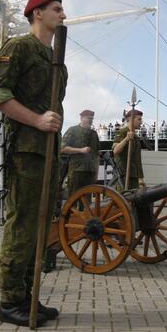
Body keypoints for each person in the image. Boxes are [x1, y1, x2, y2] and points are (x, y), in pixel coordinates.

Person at [0, 0, 66, 327]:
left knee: (38, 226)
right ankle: (10, 301)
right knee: (22, 226)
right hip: (25, 151)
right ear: (37, 14)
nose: (63, 14)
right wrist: (35, 120)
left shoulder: (56, 60)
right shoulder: (18, 47)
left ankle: (27, 295)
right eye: (56, 9)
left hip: (48, 152)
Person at [44, 109, 99, 272]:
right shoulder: (72, 131)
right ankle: (69, 227)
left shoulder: (94, 134)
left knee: (87, 203)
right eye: (88, 118)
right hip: (76, 170)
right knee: (74, 200)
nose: (90, 120)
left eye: (92, 118)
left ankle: (84, 226)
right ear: (81, 117)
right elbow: (62, 149)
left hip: (90, 172)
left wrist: (96, 171)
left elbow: (96, 154)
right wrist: (80, 150)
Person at [112, 109, 144, 190]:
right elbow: (115, 151)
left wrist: (140, 177)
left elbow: (137, 159)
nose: (141, 122)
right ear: (130, 119)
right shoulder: (122, 132)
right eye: (139, 119)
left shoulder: (136, 137)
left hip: (134, 176)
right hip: (123, 176)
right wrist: (126, 139)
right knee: (123, 200)